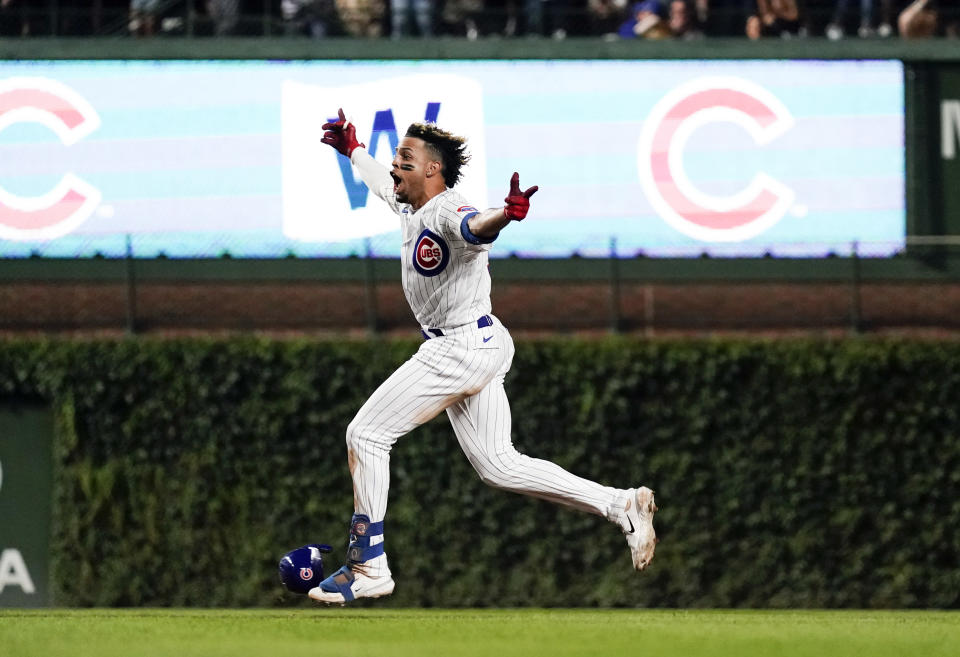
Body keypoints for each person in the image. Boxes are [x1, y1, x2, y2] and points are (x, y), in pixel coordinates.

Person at [309, 109, 658, 604]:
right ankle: (621, 504)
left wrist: (506, 215)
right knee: (498, 465)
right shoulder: (413, 205)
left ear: (433, 170)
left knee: (365, 434)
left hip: (458, 346)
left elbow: (475, 227)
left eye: (405, 158)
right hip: (481, 340)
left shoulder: (448, 212)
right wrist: (352, 150)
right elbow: (380, 185)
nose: (394, 165)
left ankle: (369, 565)